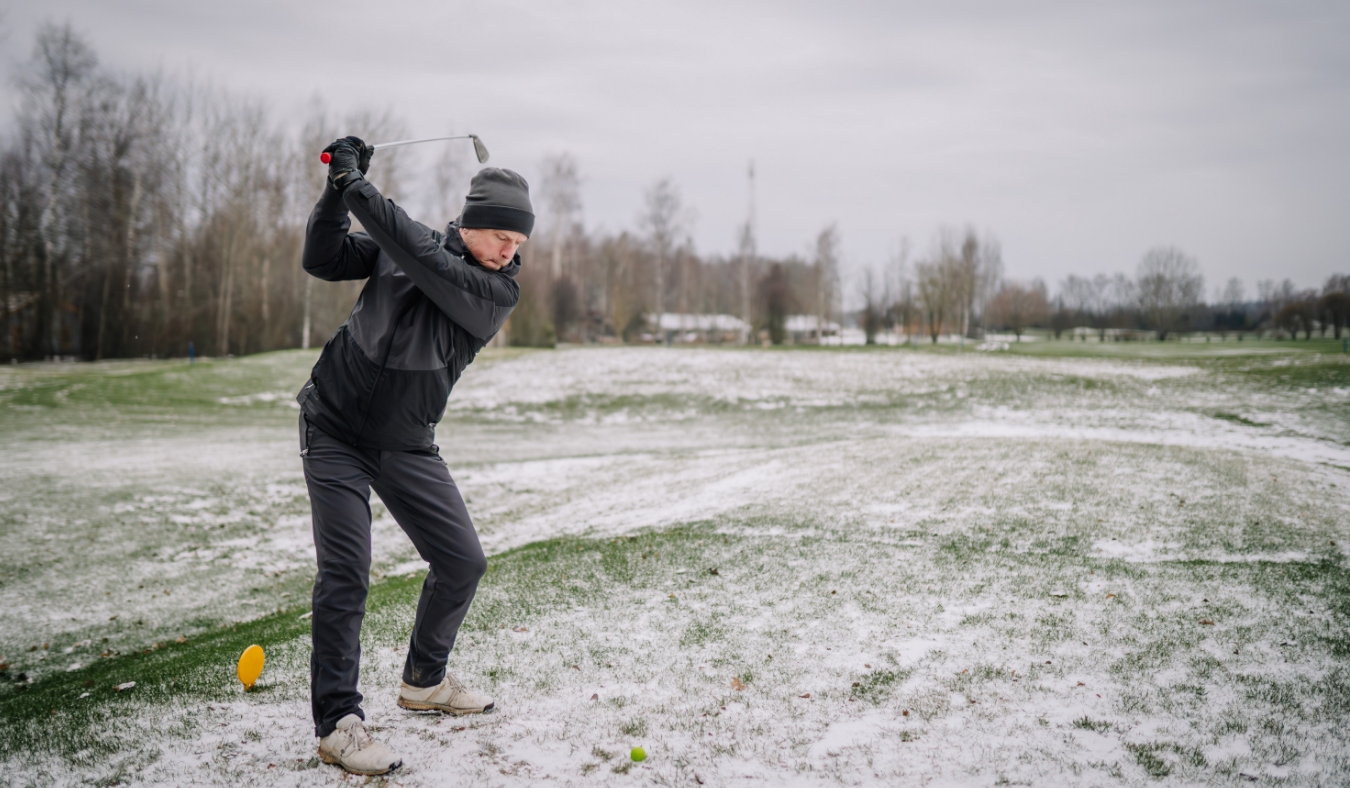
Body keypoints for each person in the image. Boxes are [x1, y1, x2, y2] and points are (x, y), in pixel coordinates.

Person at [296, 136, 533, 775]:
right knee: (347, 573)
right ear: (471, 222)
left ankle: (424, 681)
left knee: (462, 561)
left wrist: (358, 187)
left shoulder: (492, 294)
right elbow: (323, 258)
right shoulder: (411, 247)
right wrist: (334, 193)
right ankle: (338, 723)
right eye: (503, 236)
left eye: (519, 243)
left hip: (405, 443)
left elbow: (421, 254)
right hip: (334, 428)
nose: (511, 251)